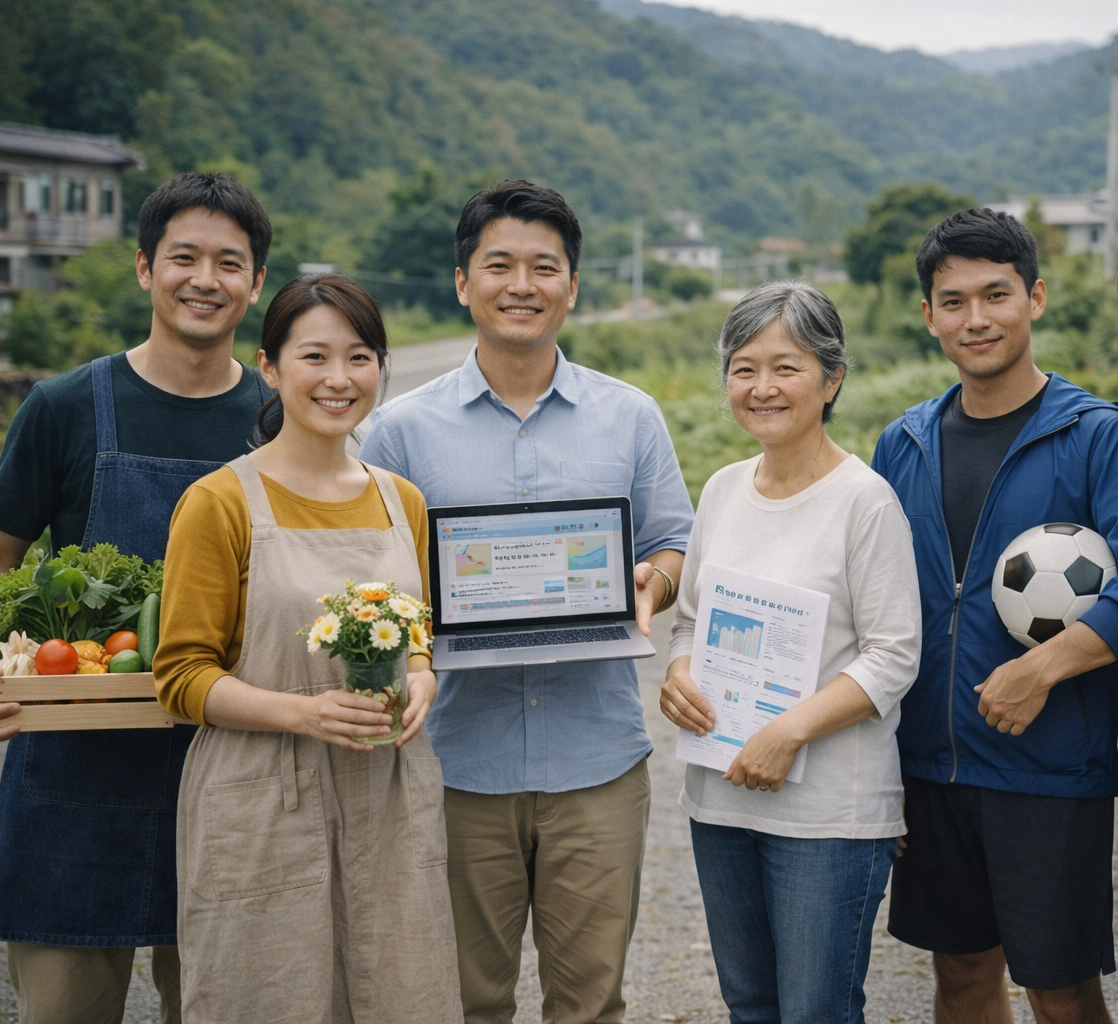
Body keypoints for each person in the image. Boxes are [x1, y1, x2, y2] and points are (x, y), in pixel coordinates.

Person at [358, 179, 692, 1024]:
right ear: (463, 282)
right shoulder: (400, 430)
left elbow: (672, 542)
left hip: (598, 762)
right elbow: (375, 579)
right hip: (456, 762)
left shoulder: (631, 417)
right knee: (464, 999)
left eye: (544, 267)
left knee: (591, 1003)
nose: (522, 285)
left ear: (572, 286)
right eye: (498, 264)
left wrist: (650, 581)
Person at [0, 172, 271, 1024]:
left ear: (256, 283)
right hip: (74, 766)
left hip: (230, 767)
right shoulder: (63, 407)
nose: (205, 279)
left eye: (229, 263)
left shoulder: (279, 418)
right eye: (183, 257)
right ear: (143, 269)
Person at [869, 208, 1118, 1024]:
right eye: (953, 301)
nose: (975, 319)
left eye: (996, 294)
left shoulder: (1094, 434)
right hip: (930, 768)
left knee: (1060, 986)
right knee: (962, 973)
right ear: (928, 315)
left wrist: (1042, 667)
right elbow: (872, 603)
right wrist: (878, 764)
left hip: (1045, 767)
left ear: (1035, 298)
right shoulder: (902, 443)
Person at [152, 273, 459, 1022]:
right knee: (267, 992)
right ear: (269, 366)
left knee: (401, 988)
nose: (339, 379)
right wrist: (305, 712)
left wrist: (422, 677)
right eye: (314, 357)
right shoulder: (219, 501)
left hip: (386, 788)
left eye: (360, 358)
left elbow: (416, 637)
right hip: (261, 793)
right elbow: (181, 678)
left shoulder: (401, 500)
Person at [659, 281, 921, 1024]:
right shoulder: (721, 489)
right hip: (720, 794)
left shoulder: (863, 500)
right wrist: (678, 674)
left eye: (787, 367)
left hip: (828, 817)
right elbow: (688, 624)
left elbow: (895, 655)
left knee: (815, 1012)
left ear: (832, 379)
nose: (762, 387)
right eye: (743, 368)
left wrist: (788, 731)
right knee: (750, 1005)